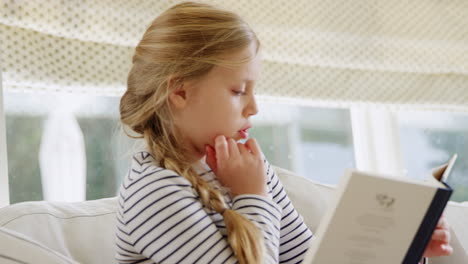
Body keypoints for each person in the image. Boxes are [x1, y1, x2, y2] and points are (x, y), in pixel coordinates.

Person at [115, 2, 452, 263]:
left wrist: (402, 250)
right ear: (180, 92)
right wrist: (252, 196)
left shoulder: (243, 172)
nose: (253, 108)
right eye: (238, 91)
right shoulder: (154, 192)